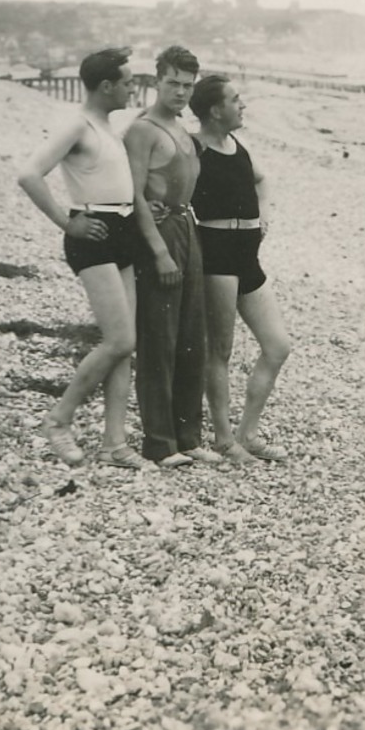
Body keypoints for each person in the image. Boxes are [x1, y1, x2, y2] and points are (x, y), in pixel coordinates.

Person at [16, 48, 147, 469]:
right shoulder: (77, 124)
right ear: (106, 86)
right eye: (127, 81)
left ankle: (114, 443)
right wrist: (65, 222)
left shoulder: (107, 126)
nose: (133, 87)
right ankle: (58, 419)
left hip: (122, 231)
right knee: (120, 340)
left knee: (126, 346)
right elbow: (29, 174)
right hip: (93, 235)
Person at [189, 75, 291, 463]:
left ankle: (248, 433)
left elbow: (262, 181)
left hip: (247, 255)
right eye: (236, 99)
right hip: (215, 255)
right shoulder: (193, 148)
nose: (243, 105)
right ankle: (223, 439)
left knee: (278, 345)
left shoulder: (236, 145)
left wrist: (263, 215)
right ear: (216, 110)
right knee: (220, 351)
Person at [125, 46, 215, 468]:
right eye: (173, 83)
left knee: (193, 336)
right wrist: (159, 252)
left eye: (187, 85)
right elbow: (135, 195)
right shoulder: (142, 130)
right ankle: (160, 442)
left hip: (186, 226)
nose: (180, 92)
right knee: (160, 338)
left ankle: (189, 435)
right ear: (156, 81)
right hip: (159, 235)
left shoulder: (182, 129)